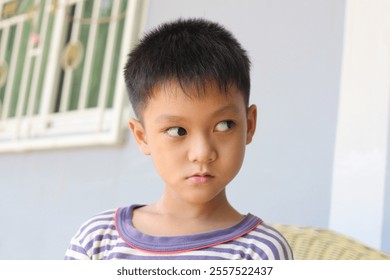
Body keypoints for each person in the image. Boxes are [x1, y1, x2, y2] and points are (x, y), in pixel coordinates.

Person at [64, 18, 293, 260]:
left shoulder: (261, 252)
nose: (202, 152)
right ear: (142, 137)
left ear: (250, 125)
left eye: (224, 125)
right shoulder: (97, 240)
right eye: (177, 131)